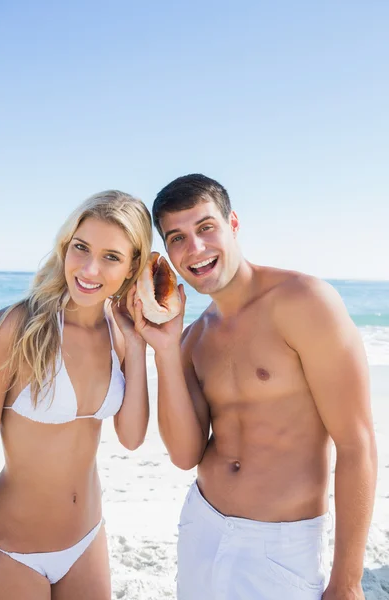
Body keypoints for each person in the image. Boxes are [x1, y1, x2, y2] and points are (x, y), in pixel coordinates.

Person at [132, 174, 377, 600]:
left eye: (206, 228)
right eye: (177, 238)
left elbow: (358, 445)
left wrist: (348, 581)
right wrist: (165, 350)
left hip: (281, 545)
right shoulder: (193, 338)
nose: (195, 248)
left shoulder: (304, 302)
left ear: (233, 224)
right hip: (202, 528)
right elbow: (184, 454)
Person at [0, 190, 152, 600]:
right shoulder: (16, 327)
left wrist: (137, 345)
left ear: (133, 265)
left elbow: (131, 438)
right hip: (13, 548)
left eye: (111, 256)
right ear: (66, 245)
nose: (89, 268)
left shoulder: (119, 334)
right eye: (81, 248)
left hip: (87, 539)